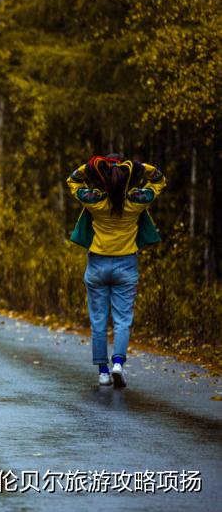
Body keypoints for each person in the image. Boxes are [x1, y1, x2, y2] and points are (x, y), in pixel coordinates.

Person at [66, 153, 167, 388]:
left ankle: (103, 372)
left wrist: (90, 167)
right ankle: (118, 364)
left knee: (98, 320)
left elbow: (73, 180)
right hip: (126, 266)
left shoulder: (94, 201)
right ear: (126, 175)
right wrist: (141, 166)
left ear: (102, 176)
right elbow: (160, 180)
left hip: (97, 266)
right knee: (123, 320)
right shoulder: (136, 201)